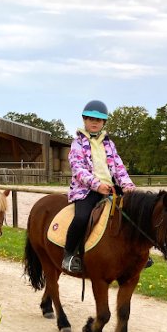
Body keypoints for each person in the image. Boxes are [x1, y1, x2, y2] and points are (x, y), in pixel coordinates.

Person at [62, 100, 136, 273]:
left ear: (104, 122)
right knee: (81, 218)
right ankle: (68, 255)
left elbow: (118, 167)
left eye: (99, 120)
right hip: (86, 190)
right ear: (84, 120)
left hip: (110, 188)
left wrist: (127, 185)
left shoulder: (109, 144)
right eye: (90, 119)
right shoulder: (77, 143)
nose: (94, 122)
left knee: (134, 212)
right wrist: (96, 185)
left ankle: (137, 253)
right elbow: (77, 168)